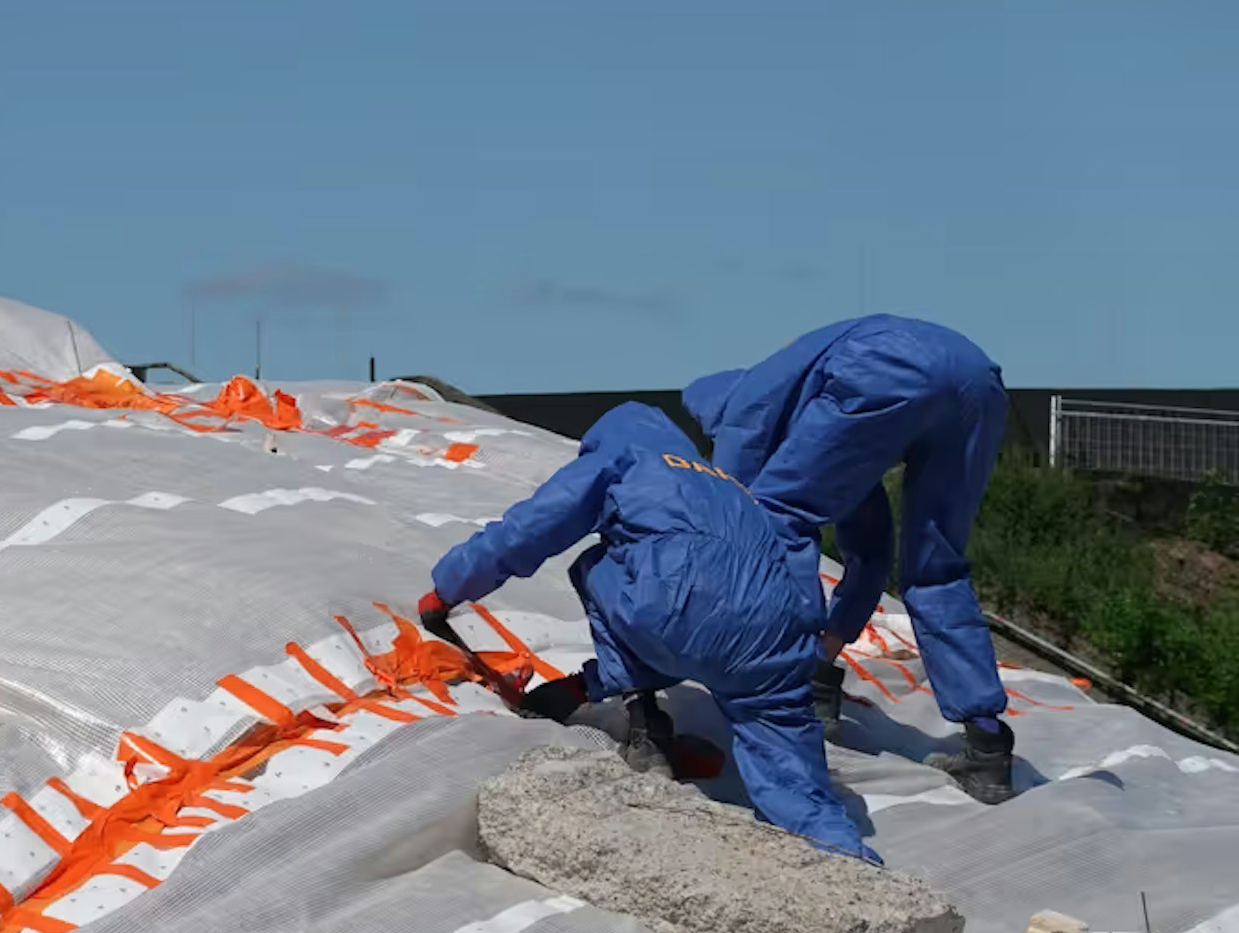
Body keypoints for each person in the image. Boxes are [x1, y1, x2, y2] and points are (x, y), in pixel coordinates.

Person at [419, 402, 877, 863]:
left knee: (595, 565)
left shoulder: (621, 460)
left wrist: (448, 589)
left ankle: (643, 725)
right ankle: (847, 860)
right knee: (797, 781)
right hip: (775, 637)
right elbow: (790, 567)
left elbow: (525, 531)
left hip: (674, 611)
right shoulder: (731, 487)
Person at [682, 314, 1015, 804]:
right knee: (936, 564)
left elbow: (738, 526)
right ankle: (987, 745)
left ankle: (790, 688)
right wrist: (827, 649)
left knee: (775, 518)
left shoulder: (742, 415)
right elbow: (870, 551)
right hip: (976, 380)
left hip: (883, 366)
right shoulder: (821, 412)